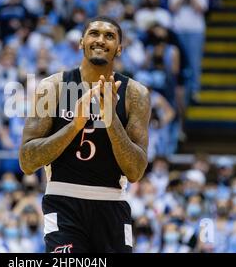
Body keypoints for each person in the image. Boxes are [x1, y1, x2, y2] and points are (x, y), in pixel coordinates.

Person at [19, 16, 151, 253]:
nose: (100, 40)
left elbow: (135, 171)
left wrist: (110, 120)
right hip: (63, 200)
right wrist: (74, 125)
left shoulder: (135, 94)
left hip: (112, 203)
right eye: (94, 33)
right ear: (81, 42)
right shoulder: (53, 87)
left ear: (119, 49)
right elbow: (27, 161)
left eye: (109, 36)